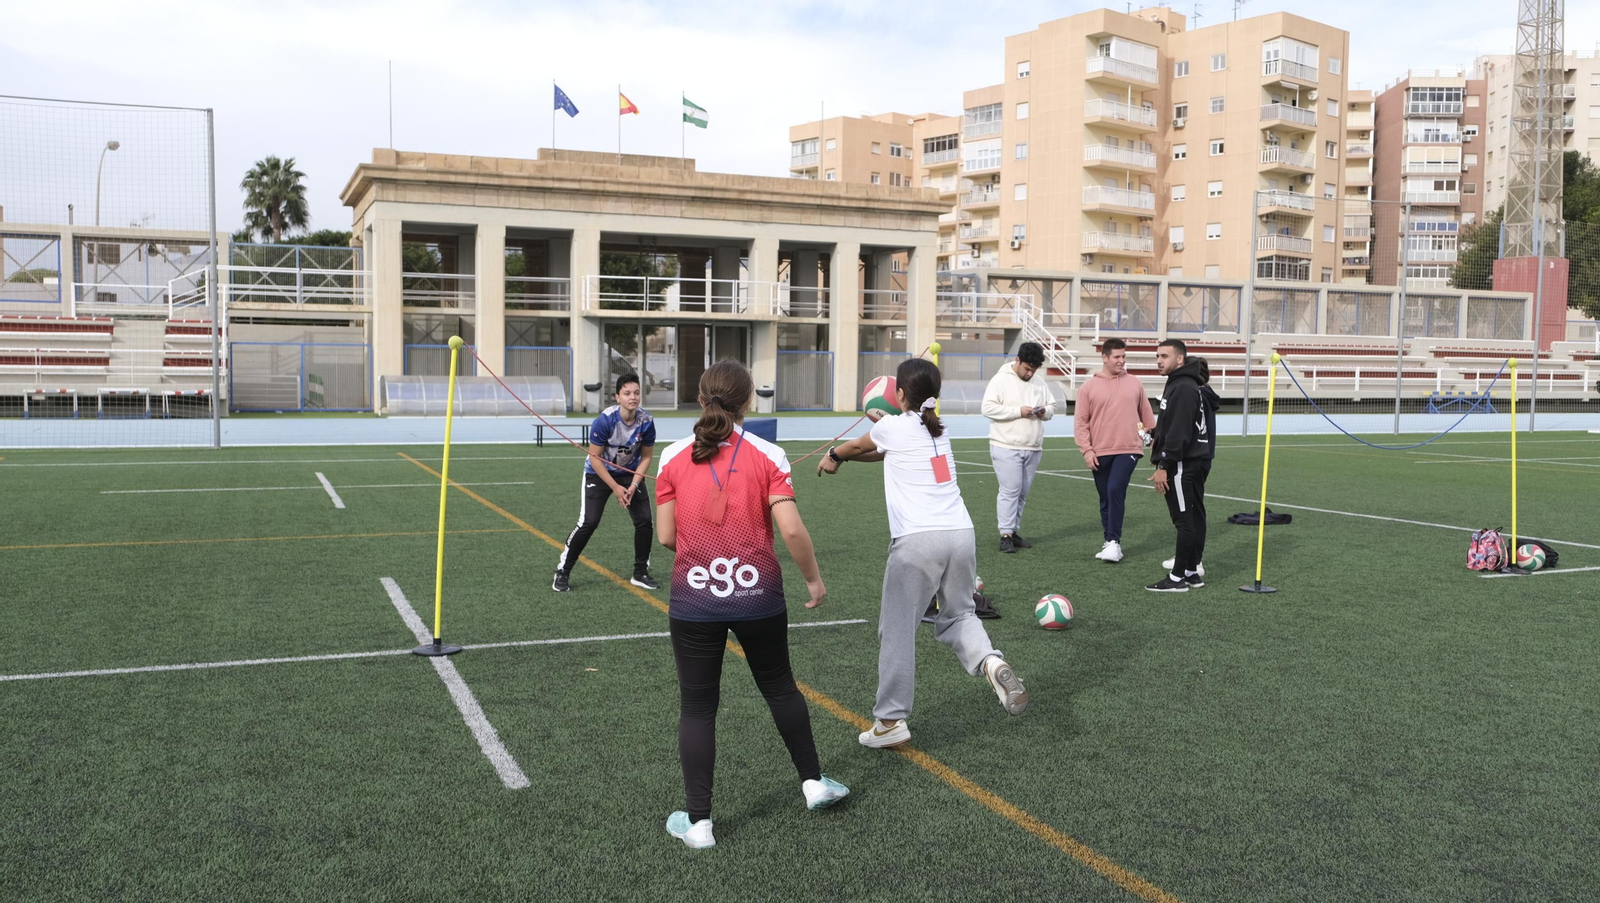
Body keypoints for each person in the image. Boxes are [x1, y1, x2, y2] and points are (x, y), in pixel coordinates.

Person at [655, 360, 848, 849]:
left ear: (701, 399)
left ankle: (699, 825)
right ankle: (813, 783)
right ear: (749, 402)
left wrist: (709, 559)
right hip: (759, 594)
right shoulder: (770, 453)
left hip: (695, 598)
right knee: (781, 688)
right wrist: (814, 580)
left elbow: (665, 537)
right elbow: (790, 528)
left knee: (698, 707)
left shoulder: (672, 456)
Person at [821, 358, 1029, 750]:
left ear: (899, 394)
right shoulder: (938, 428)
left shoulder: (890, 427)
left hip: (917, 542)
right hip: (961, 536)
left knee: (897, 629)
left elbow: (856, 445)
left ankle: (890, 720)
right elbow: (880, 453)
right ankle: (991, 662)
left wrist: (834, 455)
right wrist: (845, 457)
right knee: (959, 615)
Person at [553, 373, 658, 592]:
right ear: (617, 397)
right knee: (589, 522)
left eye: (636, 393)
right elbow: (595, 457)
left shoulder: (646, 421)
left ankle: (640, 573)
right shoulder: (605, 420)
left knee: (645, 521)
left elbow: (646, 456)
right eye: (627, 393)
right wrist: (615, 488)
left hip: (629, 473)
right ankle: (563, 570)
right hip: (598, 473)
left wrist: (633, 485)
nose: (633, 397)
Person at [1146, 339, 1219, 593]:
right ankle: (1190, 572)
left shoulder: (1185, 387)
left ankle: (1177, 579)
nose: (1159, 360)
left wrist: (1164, 464)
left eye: (1164, 356)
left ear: (1180, 359)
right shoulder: (1182, 383)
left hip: (1181, 464)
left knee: (1183, 520)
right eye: (1157, 356)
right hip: (1190, 461)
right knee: (1191, 516)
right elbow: (1173, 425)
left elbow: (1178, 432)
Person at [1074, 338, 1156, 564]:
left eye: (1124, 357)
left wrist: (1148, 441)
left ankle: (1113, 541)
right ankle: (1110, 543)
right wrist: (1087, 451)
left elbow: (1146, 419)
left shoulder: (1135, 383)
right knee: (1105, 498)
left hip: (1129, 448)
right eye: (1117, 357)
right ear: (1105, 358)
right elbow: (1081, 423)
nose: (1122, 361)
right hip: (1099, 451)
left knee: (1114, 489)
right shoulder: (1088, 387)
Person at [981, 341, 1056, 553]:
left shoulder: (1039, 382)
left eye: (1034, 370)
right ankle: (1005, 534)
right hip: (1005, 445)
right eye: (1027, 368)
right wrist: (1018, 411)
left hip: (1033, 447)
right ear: (1017, 360)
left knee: (1022, 492)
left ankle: (1013, 532)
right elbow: (987, 408)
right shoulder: (1000, 380)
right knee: (1010, 490)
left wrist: (1044, 412)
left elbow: (1052, 406)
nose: (1030, 373)